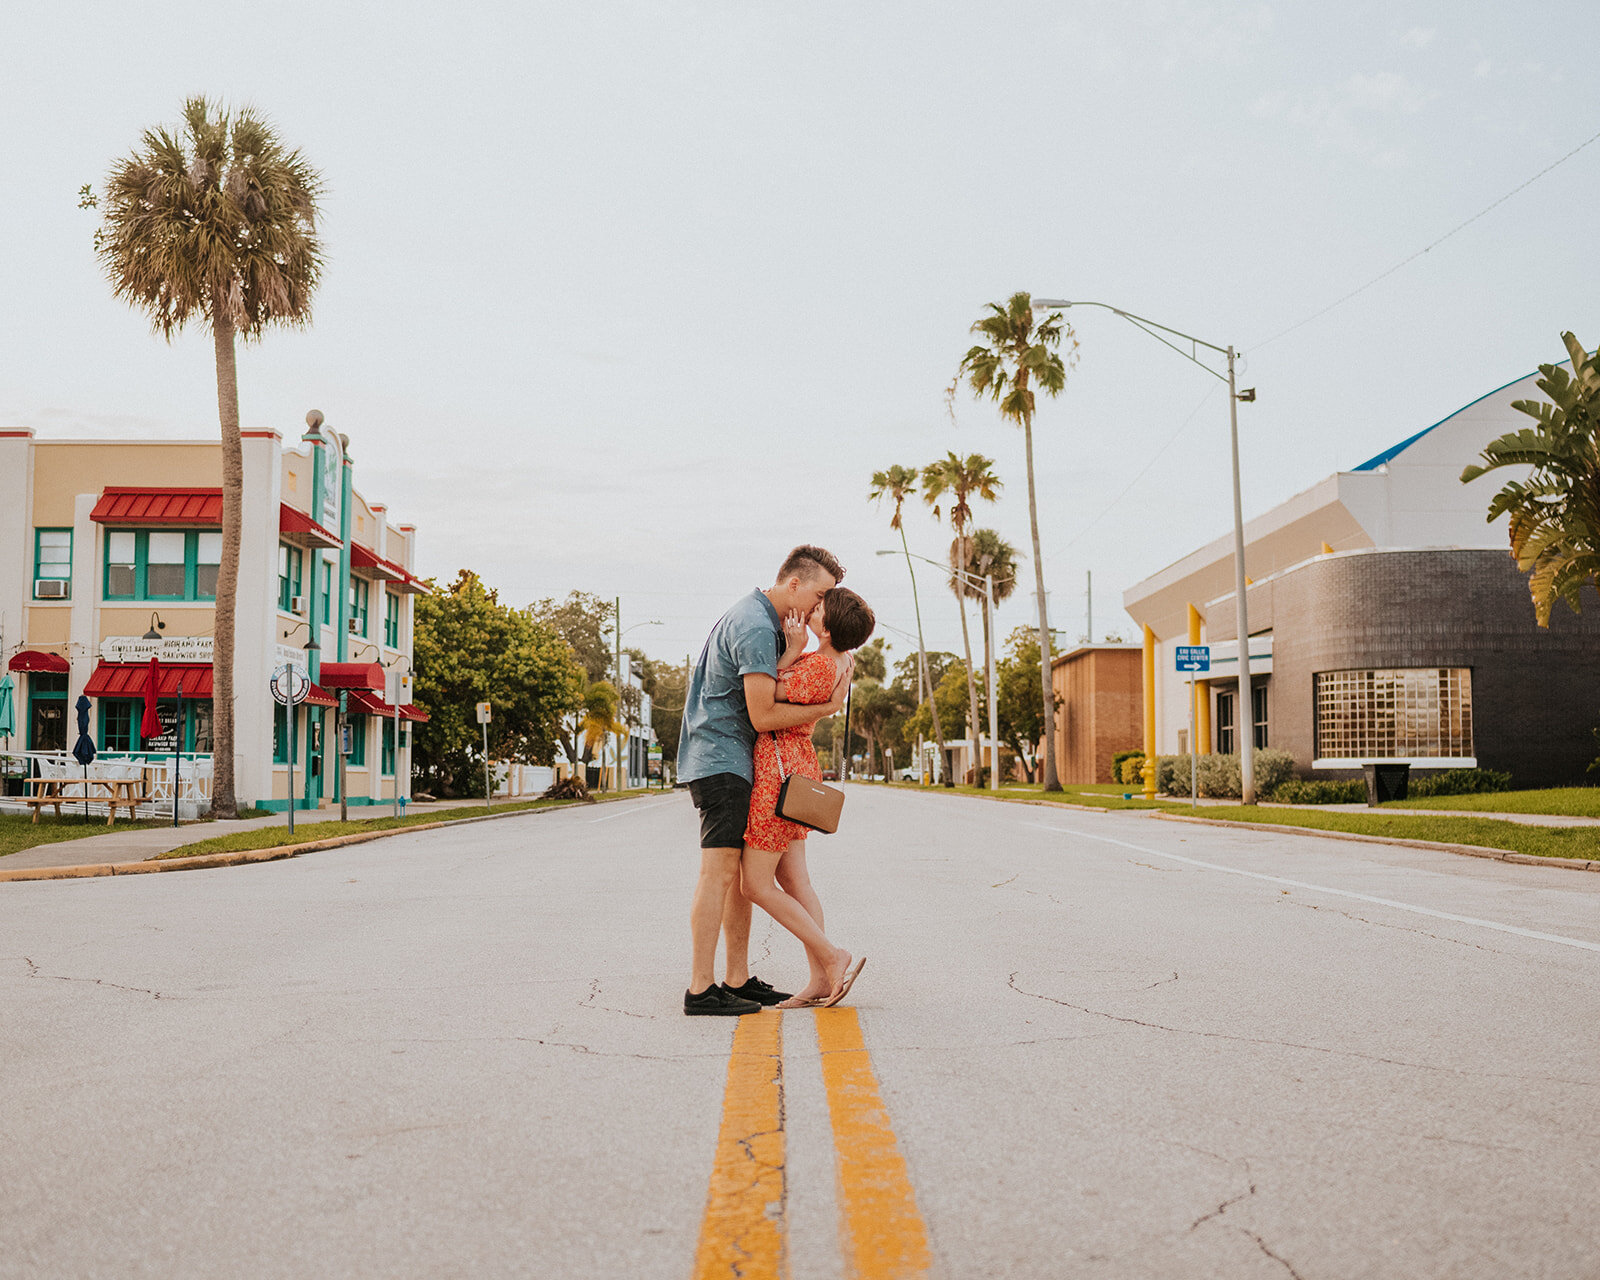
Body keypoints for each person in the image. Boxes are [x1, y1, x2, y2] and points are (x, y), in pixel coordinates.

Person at [678, 546, 851, 1016]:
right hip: (723, 759)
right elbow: (764, 712)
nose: (820, 608)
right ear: (794, 584)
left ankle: (736, 979)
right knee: (720, 875)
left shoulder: (766, 621)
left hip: (735, 759)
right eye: (818, 595)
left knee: (740, 880)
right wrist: (827, 707)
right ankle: (700, 989)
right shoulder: (756, 626)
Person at [742, 587, 873, 1008]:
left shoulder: (818, 664)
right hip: (796, 765)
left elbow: (768, 692)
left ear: (829, 628)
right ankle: (821, 979)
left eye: (819, 610)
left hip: (778, 772)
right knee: (796, 881)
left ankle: (832, 956)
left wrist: (791, 650)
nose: (811, 611)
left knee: (755, 884)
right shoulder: (842, 660)